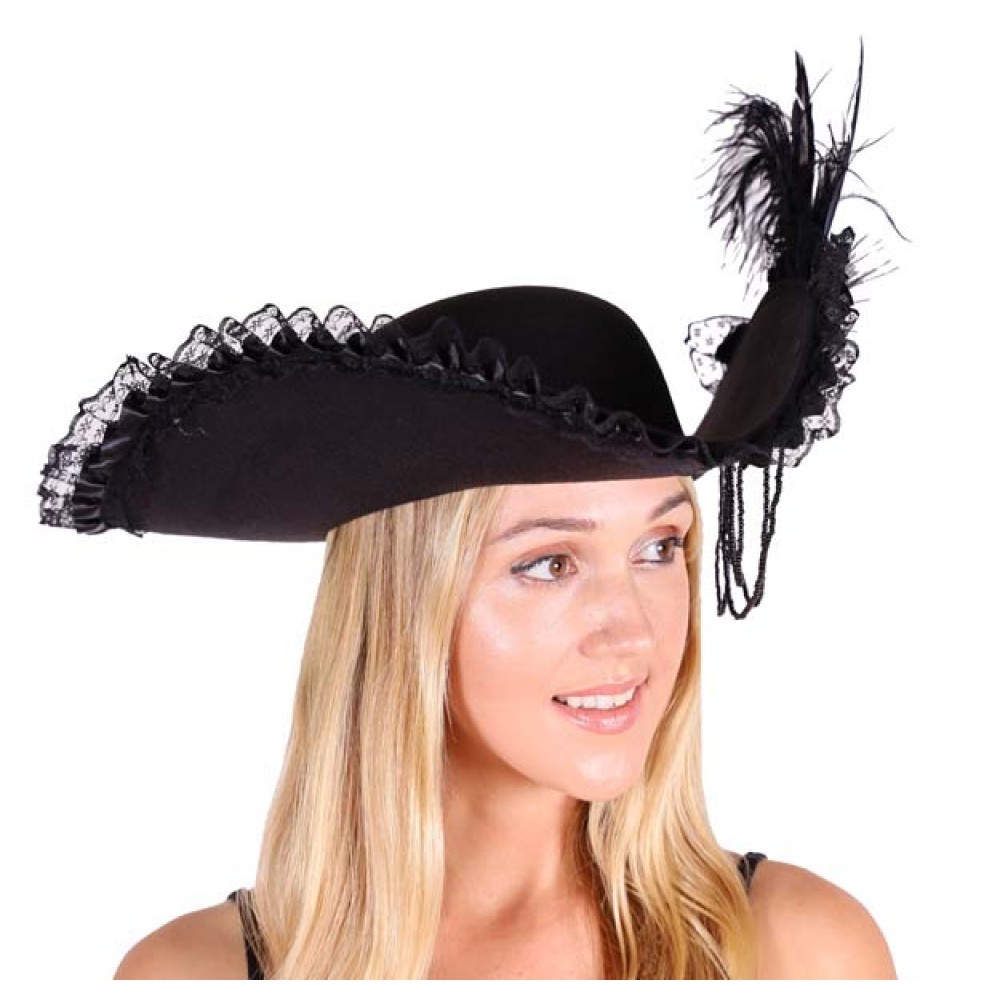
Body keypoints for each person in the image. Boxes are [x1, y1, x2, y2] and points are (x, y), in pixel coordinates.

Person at [38, 47, 898, 979]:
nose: (634, 631)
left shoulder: (792, 951)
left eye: (659, 547)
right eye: (549, 563)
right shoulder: (194, 975)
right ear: (405, 604)